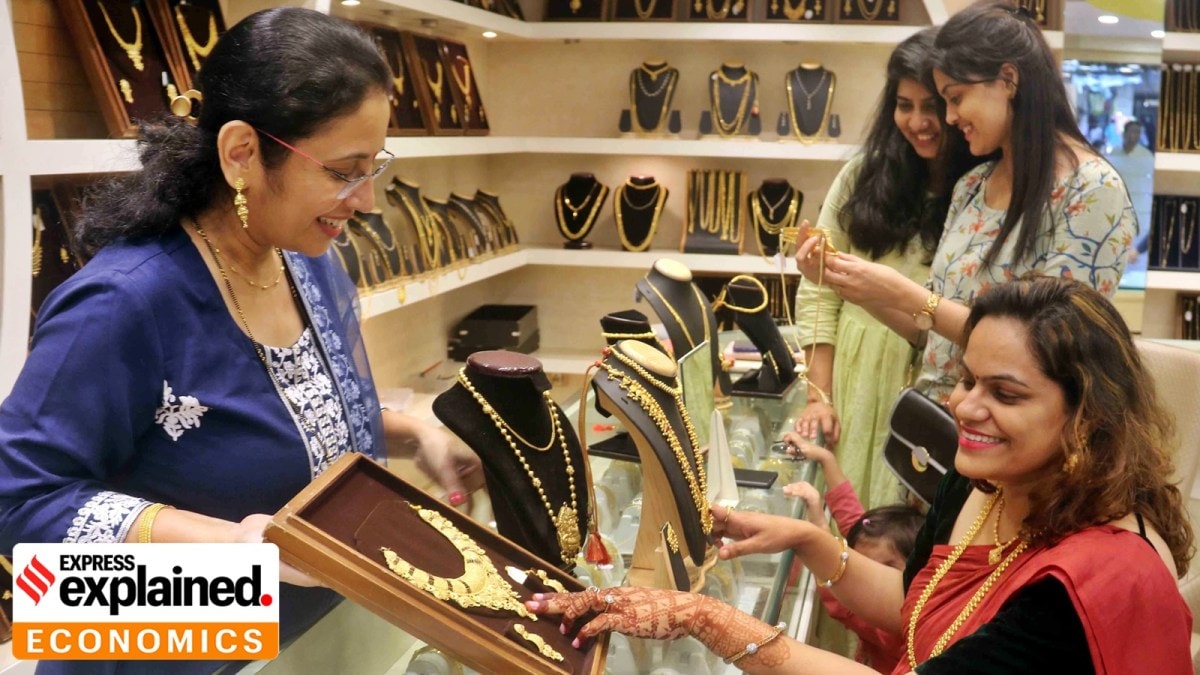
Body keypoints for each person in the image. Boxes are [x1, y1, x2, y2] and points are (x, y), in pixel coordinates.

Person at [0, 8, 480, 673]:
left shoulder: (308, 260)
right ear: (241, 154)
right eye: (344, 170)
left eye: (374, 166)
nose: (367, 201)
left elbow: (287, 416)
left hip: (311, 647)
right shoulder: (123, 304)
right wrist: (231, 548)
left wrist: (410, 431)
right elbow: (19, 493)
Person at [528, 276, 1194, 673]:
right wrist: (809, 540)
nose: (964, 406)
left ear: (1086, 417)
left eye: (1006, 393)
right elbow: (918, 604)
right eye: (965, 379)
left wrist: (709, 618)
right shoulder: (985, 479)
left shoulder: (1087, 588)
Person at [795, 3, 1137, 404]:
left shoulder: (1092, 190)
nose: (951, 117)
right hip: (939, 430)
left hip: (1010, 446)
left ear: (1008, 79)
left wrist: (906, 294)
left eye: (954, 98)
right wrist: (857, 285)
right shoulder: (973, 186)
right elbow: (931, 336)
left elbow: (1054, 350)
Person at [793, 27, 978, 510]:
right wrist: (820, 396)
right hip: (853, 378)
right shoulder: (862, 176)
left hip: (937, 384)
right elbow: (818, 295)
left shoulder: (980, 192)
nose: (918, 122)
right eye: (904, 104)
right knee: (850, 527)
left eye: (932, 106)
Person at [783, 441, 924, 674]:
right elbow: (852, 518)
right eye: (862, 564)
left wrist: (818, 526)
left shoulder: (894, 629)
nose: (867, 574)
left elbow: (842, 602)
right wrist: (826, 458)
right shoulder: (881, 547)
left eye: (886, 568)